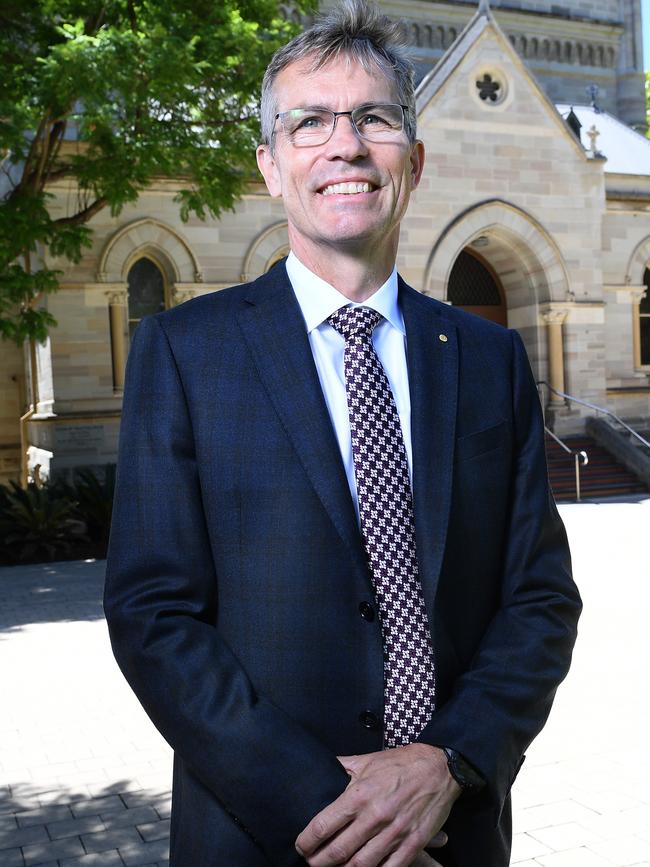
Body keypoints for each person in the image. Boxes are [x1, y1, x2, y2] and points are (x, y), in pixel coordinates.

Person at [104, 2, 581, 865]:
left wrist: (447, 761)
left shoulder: (490, 357)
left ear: (416, 159)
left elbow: (539, 600)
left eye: (374, 118)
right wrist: (337, 806)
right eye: (310, 121)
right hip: (264, 835)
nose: (345, 145)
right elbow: (153, 613)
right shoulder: (184, 351)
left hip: (451, 829)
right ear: (271, 165)